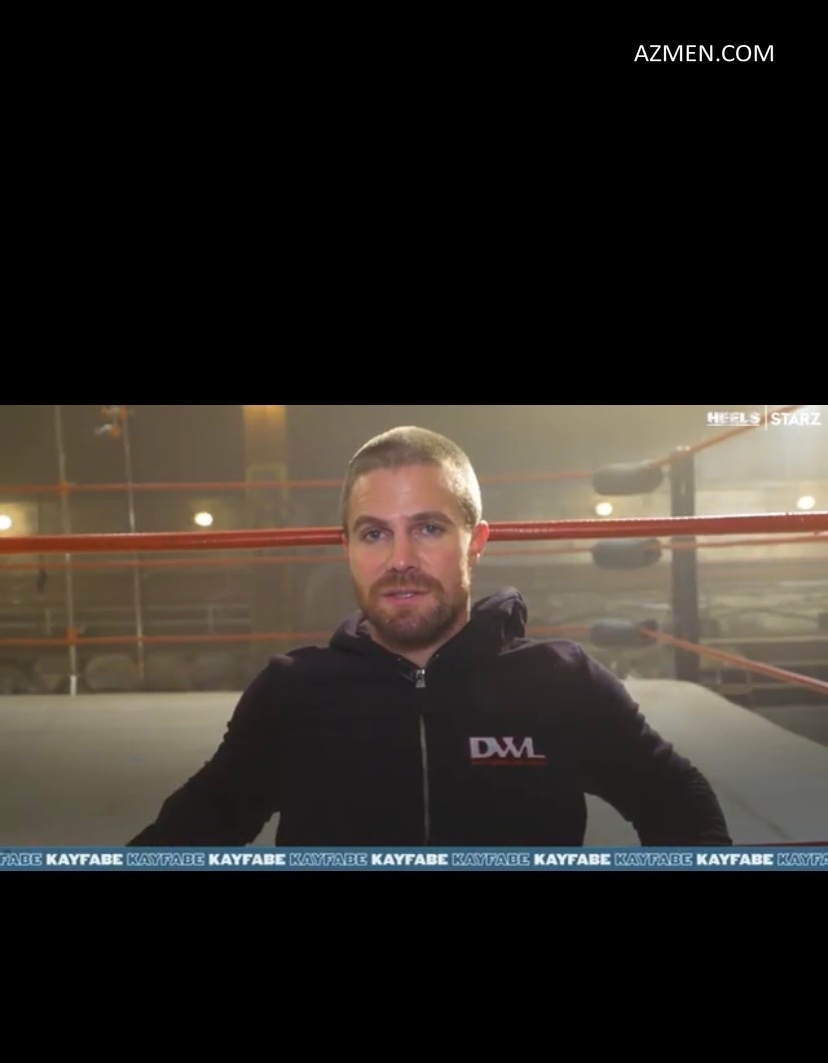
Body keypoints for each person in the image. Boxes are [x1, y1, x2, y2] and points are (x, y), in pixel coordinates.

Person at [129, 426, 732, 848]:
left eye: (428, 529)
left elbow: (675, 798)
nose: (400, 560)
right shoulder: (293, 691)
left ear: (476, 541)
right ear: (346, 547)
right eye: (374, 534)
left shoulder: (560, 682)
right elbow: (199, 822)